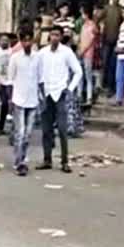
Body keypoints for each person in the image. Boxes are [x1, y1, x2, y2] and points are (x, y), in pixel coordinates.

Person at [37, 26, 82, 173]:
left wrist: (70, 88)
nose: (54, 38)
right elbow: (36, 71)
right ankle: (47, 159)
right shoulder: (42, 53)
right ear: (49, 37)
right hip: (47, 93)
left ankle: (64, 161)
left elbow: (78, 71)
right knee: (46, 129)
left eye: (57, 35)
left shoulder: (66, 52)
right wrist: (39, 88)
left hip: (60, 92)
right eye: (52, 35)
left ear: (61, 37)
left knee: (62, 129)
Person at [9, 27, 40, 176]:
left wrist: (42, 97)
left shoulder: (37, 57)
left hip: (33, 99)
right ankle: (19, 162)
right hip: (19, 99)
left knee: (28, 134)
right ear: (21, 42)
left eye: (30, 40)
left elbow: (40, 79)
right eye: (24, 40)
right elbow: (10, 79)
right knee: (20, 132)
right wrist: (10, 100)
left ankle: (23, 156)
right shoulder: (15, 58)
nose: (27, 43)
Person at [78, 3, 98, 104]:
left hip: (88, 54)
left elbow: (91, 40)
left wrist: (83, 50)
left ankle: (89, 97)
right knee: (80, 75)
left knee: (88, 75)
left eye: (82, 13)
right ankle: (79, 95)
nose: (81, 15)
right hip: (81, 53)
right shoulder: (83, 25)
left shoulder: (92, 25)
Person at [0, 35, 12, 134]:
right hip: (1, 80)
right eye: (2, 40)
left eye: (6, 40)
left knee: (8, 104)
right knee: (3, 103)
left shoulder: (11, 52)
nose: (4, 42)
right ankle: (0, 126)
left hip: (10, 81)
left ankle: (4, 126)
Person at [103, 0, 123, 93]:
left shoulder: (121, 10)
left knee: (113, 65)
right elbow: (98, 20)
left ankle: (111, 87)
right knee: (104, 63)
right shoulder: (106, 9)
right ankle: (104, 85)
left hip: (116, 42)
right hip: (106, 41)